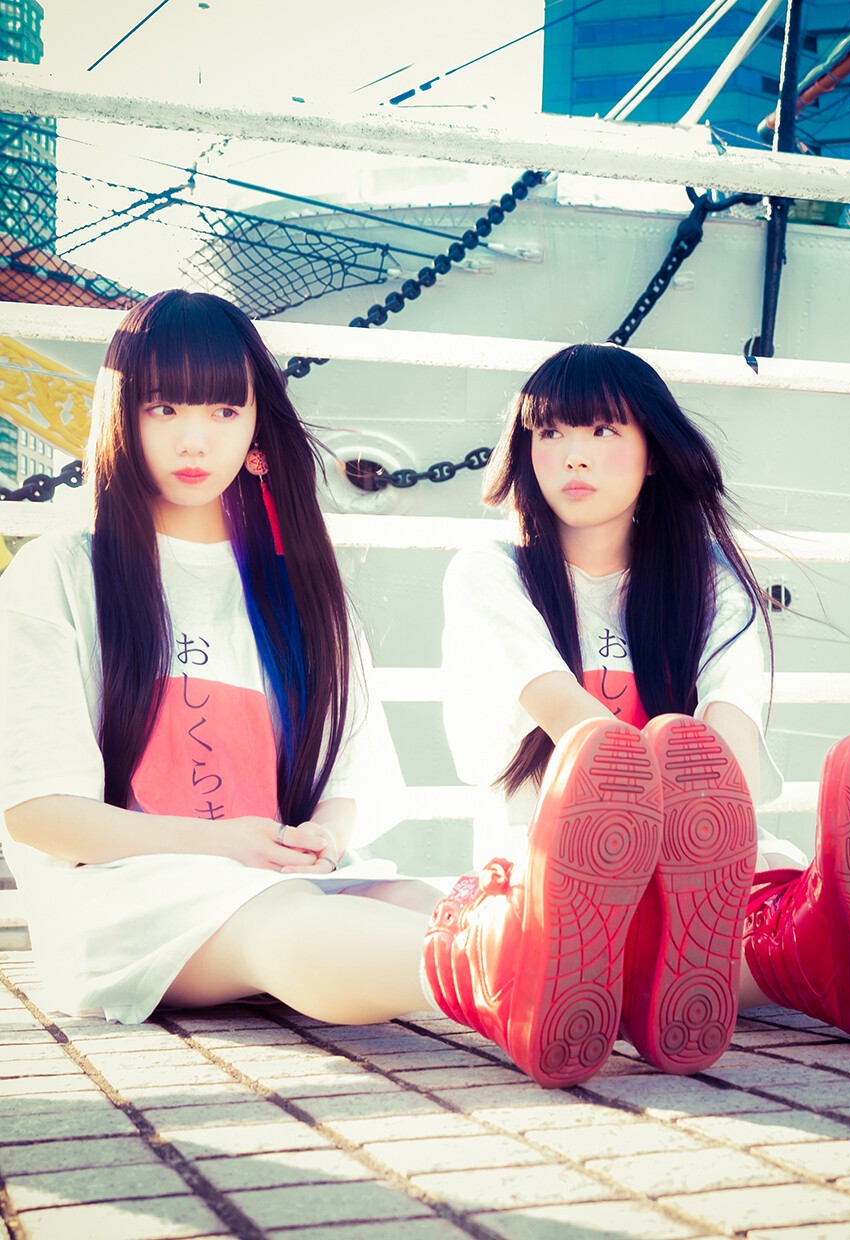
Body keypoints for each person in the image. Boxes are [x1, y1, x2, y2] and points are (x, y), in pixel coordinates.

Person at [0, 293, 664, 1092]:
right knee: (287, 923)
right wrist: (227, 845)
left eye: (223, 410)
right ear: (121, 416)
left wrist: (321, 833)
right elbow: (40, 814)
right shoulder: (60, 572)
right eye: (163, 407)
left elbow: (348, 778)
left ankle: (631, 976)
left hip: (268, 872)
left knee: (418, 898)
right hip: (123, 897)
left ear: (256, 429)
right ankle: (530, 978)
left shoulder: (300, 591)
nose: (193, 438)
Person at [434, 342, 850, 1076]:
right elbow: (577, 728)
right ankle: (841, 952)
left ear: (654, 453)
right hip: (562, 878)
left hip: (707, 879)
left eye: (603, 430)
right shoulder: (491, 572)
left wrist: (698, 835)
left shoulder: (709, 580)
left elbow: (724, 755)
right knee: (649, 926)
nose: (573, 455)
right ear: (525, 450)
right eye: (551, 432)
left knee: (731, 900)